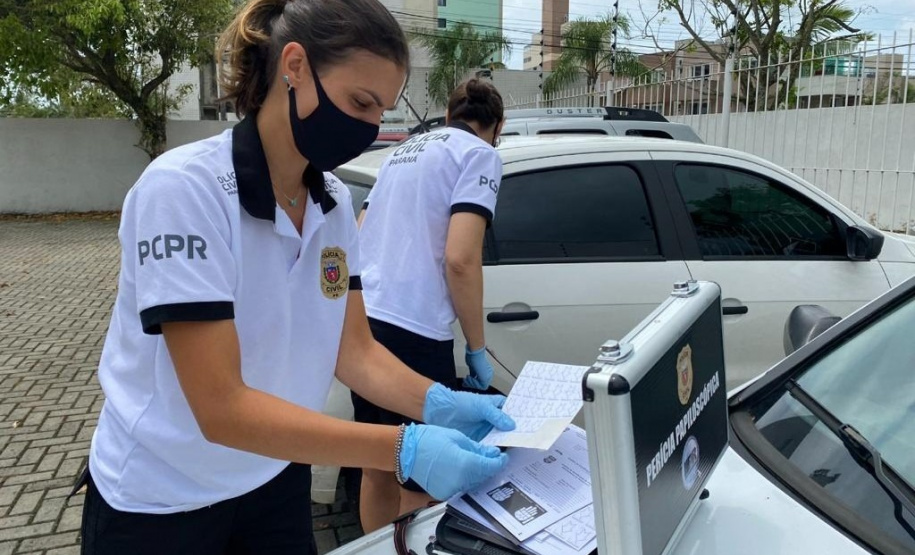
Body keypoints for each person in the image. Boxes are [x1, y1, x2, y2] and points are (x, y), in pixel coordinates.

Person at [77, 1, 515, 553]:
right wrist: (403, 447)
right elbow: (220, 408)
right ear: (296, 67)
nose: (370, 126)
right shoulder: (185, 191)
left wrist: (442, 403)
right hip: (162, 502)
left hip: (273, 476)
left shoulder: (332, 205)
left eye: (381, 110)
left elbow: (354, 351)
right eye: (360, 101)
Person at [355, 78, 506, 531]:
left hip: (365, 321)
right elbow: (461, 259)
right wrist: (476, 349)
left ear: (448, 116)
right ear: (496, 126)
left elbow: (360, 227)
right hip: (415, 331)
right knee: (420, 482)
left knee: (376, 459)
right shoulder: (479, 155)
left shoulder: (402, 152)